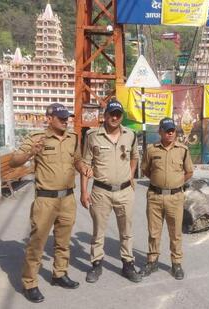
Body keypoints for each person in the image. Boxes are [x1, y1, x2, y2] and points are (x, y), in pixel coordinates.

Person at [10, 103, 91, 303]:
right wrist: (31, 152)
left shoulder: (73, 138)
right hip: (45, 199)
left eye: (67, 118)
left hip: (67, 198)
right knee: (37, 244)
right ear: (49, 118)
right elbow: (14, 161)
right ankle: (30, 283)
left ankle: (59, 274)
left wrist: (83, 168)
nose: (66, 121)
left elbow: (77, 159)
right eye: (61, 118)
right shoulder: (37, 139)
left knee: (63, 242)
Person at [80, 100, 142, 283]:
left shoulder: (130, 135)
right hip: (101, 191)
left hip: (125, 192)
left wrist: (130, 176)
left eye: (118, 114)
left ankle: (128, 264)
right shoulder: (92, 136)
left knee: (126, 230)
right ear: (105, 115)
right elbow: (86, 164)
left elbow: (135, 157)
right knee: (98, 230)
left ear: (121, 116)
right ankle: (96, 264)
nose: (114, 117)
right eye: (111, 114)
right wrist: (84, 191)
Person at [140, 117, 194, 280]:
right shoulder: (151, 150)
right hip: (155, 196)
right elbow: (145, 169)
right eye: (167, 130)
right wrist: (159, 182)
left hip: (175, 197)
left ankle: (176, 263)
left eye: (173, 130)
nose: (170, 133)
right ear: (160, 132)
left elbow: (189, 172)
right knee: (154, 232)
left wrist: (176, 183)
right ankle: (152, 261)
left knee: (175, 232)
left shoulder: (183, 150)